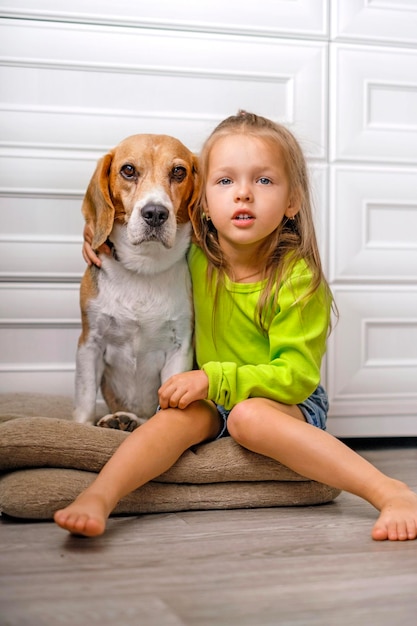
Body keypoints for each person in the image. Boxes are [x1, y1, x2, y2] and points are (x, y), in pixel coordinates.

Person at [54, 111, 417, 540]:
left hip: (282, 398)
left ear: (292, 201)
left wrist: (212, 379)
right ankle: (100, 497)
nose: (243, 193)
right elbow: (137, 240)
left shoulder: (298, 282)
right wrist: (98, 232)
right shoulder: (190, 259)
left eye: (263, 181)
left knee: (249, 418)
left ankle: (389, 491)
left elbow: (296, 377)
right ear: (201, 202)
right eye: (225, 181)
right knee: (169, 420)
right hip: (211, 394)